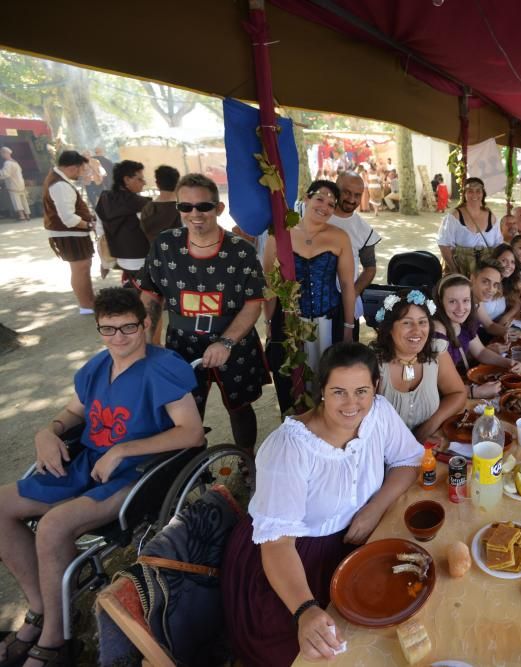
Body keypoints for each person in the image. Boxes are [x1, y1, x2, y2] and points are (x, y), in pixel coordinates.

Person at [0, 288, 202, 666]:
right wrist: (47, 431)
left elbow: (191, 433)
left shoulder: (163, 368)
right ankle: (42, 608)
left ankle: (55, 640)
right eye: (108, 330)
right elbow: (73, 413)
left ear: (145, 325)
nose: (119, 338)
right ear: (99, 329)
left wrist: (124, 449)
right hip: (87, 462)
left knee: (52, 526)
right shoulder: (97, 366)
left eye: (128, 328)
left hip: (136, 472)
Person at [221, 342, 424, 667]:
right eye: (339, 392)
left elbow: (408, 461)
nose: (351, 404)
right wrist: (305, 610)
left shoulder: (379, 413)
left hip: (355, 544)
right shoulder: (290, 449)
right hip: (292, 561)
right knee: (320, 653)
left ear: (375, 387)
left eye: (361, 391)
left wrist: (374, 509)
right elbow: (277, 544)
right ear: (322, 392)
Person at [137, 173, 268, 452]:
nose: (194, 214)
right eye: (185, 207)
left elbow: (253, 302)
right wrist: (147, 343)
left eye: (203, 207)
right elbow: (150, 295)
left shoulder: (241, 251)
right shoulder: (164, 246)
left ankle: (246, 459)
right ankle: (191, 468)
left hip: (235, 342)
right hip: (181, 343)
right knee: (183, 411)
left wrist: (227, 342)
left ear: (218, 209)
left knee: (240, 407)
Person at [264, 180, 357, 415]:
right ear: (306, 198)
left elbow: (347, 284)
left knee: (330, 378)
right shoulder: (280, 233)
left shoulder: (339, 237)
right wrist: (268, 323)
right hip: (288, 322)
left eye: (331, 204)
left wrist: (348, 326)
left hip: (329, 320)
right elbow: (271, 284)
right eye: (320, 199)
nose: (324, 206)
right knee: (290, 381)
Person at [370, 289, 465, 441]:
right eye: (407, 323)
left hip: (429, 448)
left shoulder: (435, 351)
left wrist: (428, 427)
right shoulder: (372, 365)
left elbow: (458, 393)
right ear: (389, 329)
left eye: (422, 322)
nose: (417, 331)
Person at [432, 274, 520, 397]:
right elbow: (436, 383)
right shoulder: (437, 330)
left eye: (465, 300)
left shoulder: (464, 322)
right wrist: (474, 392)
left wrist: (508, 363)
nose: (461, 308)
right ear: (440, 302)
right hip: (449, 395)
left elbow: (480, 352)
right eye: (452, 301)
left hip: (462, 387)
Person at [328, 171, 381, 341]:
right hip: (314, 303)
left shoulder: (363, 230)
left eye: (357, 195)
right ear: (336, 190)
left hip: (347, 309)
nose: (352, 199)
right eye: (347, 192)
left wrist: (352, 293)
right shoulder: (319, 215)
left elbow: (370, 268)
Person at [43, 150, 97, 314]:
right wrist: (89, 226)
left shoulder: (57, 178)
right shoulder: (60, 184)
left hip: (71, 234)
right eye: (81, 169)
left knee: (83, 267)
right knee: (80, 268)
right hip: (70, 234)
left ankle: (89, 302)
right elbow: (68, 218)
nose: (81, 173)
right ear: (74, 167)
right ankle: (86, 305)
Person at [95, 160, 151, 287]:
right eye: (140, 179)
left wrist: (104, 262)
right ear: (126, 180)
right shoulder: (141, 204)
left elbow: (100, 232)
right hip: (143, 258)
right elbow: (152, 230)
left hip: (121, 259)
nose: (144, 182)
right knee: (147, 297)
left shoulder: (104, 199)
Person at [437, 176, 502, 276]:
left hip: (485, 273)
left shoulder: (491, 217)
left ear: (483, 193)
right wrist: (455, 270)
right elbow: (443, 244)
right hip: (461, 270)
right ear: (465, 194)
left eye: (478, 191)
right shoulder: (454, 216)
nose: (474, 194)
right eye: (470, 191)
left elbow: (498, 244)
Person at [470, 258, 511, 339]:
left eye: (495, 285)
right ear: (472, 278)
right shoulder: (461, 303)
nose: (491, 289)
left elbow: (489, 325)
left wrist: (509, 332)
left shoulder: (476, 300)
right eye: (485, 282)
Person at [139, 165, 183, 241]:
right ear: (177, 183)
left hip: (156, 251)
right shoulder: (183, 208)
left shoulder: (148, 208)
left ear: (157, 183)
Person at [0, 146, 30, 220]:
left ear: (5, 153)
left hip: (13, 184)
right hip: (20, 182)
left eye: (1, 153)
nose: (1, 155)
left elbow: (5, 174)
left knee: (16, 200)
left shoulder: (7, 163)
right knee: (23, 199)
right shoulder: (15, 162)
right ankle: (27, 215)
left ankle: (22, 216)